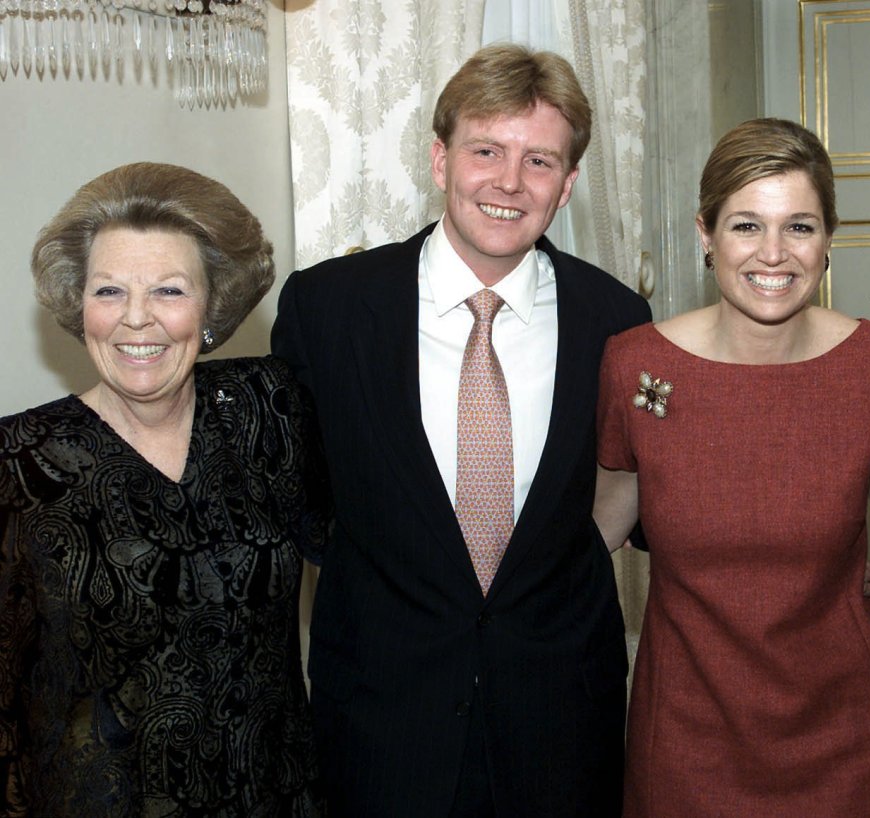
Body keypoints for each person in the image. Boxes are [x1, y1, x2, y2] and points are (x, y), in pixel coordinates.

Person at [270, 44, 651, 817]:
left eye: (539, 161)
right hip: (381, 724)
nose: (510, 182)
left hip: (560, 730)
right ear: (442, 160)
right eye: (486, 151)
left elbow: (633, 496)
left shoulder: (617, 324)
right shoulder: (329, 307)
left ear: (569, 184)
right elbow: (299, 499)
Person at [592, 117, 870, 818]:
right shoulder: (634, 365)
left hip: (851, 745)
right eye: (747, 225)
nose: (774, 254)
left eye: (800, 227)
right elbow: (590, 540)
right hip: (686, 746)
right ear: (705, 233)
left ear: (829, 239)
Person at [0, 162, 330, 817]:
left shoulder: (271, 410)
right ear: (79, 304)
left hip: (275, 798)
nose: (135, 321)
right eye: (110, 291)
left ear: (213, 305)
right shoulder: (17, 463)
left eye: (169, 291)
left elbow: (374, 544)